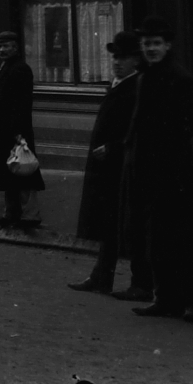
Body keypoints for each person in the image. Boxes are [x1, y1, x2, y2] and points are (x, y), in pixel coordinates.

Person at [124, 17, 193, 321]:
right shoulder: (145, 78)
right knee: (157, 240)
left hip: (177, 174)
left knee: (184, 240)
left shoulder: (181, 79)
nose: (151, 49)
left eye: (156, 43)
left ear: (168, 45)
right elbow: (139, 125)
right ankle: (166, 299)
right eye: (146, 44)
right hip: (150, 172)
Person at [72, 33, 148, 297]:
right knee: (109, 223)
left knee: (128, 223)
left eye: (123, 58)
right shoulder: (117, 85)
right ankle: (102, 275)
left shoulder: (136, 87)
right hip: (107, 166)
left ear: (135, 60)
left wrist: (114, 148)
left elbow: (136, 129)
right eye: (115, 57)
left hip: (123, 165)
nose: (117, 62)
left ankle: (140, 282)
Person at [0, 29, 44, 228]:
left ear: (15, 47)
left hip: (16, 132)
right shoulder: (6, 67)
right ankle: (11, 213)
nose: (1, 50)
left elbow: (21, 103)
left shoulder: (20, 69)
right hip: (4, 131)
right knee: (9, 172)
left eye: (5, 46)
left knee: (24, 171)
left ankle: (30, 215)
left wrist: (18, 133)